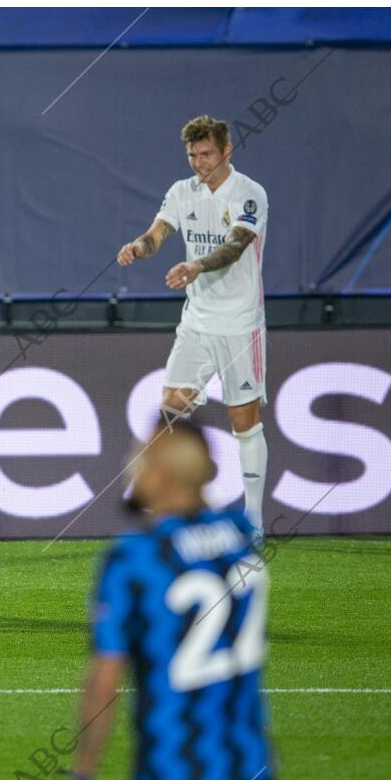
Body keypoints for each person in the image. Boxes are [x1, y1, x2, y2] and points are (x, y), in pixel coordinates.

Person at [66, 421, 280, 780]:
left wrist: (83, 778)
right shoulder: (243, 537)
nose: (131, 468)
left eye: (140, 459)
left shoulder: (134, 559)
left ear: (160, 476)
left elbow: (105, 680)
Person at [116, 115, 270, 544]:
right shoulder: (182, 192)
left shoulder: (249, 193)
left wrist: (196, 265)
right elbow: (157, 234)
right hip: (197, 324)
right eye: (192, 155)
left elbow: (238, 244)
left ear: (226, 151)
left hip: (240, 324)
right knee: (170, 412)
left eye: (206, 154)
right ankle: (171, 516)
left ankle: (254, 519)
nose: (199, 163)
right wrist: (138, 247)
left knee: (245, 421)